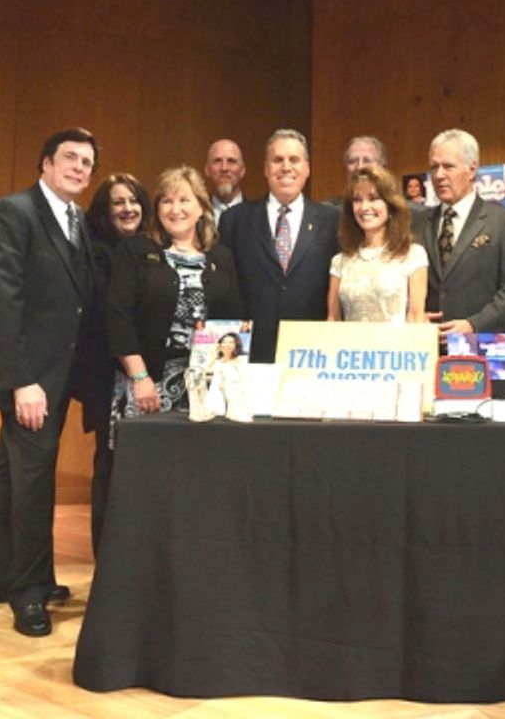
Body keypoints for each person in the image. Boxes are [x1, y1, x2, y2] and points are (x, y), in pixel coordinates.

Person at [0, 127, 100, 637]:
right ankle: (29, 593)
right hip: (29, 378)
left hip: (56, 374)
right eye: (70, 157)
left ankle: (2, 575)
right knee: (32, 480)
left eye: (87, 163)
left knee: (12, 473)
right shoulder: (15, 211)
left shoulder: (79, 221)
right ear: (45, 163)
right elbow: (2, 300)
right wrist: (23, 382)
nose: (79, 168)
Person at [107, 165, 243, 422]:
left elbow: (233, 321)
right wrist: (140, 377)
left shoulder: (221, 256)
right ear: (157, 209)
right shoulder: (134, 250)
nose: (175, 209)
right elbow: (118, 317)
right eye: (167, 201)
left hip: (206, 387)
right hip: (149, 383)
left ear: (201, 207)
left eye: (184, 200)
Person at [218, 129, 339, 362]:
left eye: (294, 160)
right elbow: (225, 291)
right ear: (266, 169)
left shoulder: (332, 220)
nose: (286, 167)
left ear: (307, 168)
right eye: (277, 160)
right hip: (250, 354)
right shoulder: (235, 220)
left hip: (312, 354)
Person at [84, 172, 151, 556]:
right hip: (109, 377)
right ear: (105, 212)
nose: (127, 209)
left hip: (150, 375)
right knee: (110, 469)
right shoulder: (95, 252)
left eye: (133, 200)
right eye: (118, 203)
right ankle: (105, 561)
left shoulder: (153, 248)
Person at [411, 128, 505, 335]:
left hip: (481, 346)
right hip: (426, 345)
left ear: (472, 169)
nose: (439, 175)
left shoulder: (504, 222)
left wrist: (474, 325)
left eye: (448, 166)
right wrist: (414, 316)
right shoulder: (417, 224)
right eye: (434, 167)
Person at [327, 164, 427, 322]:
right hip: (348, 346)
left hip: (397, 345)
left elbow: (416, 318)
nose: (364, 207)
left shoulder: (412, 255)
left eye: (373, 199)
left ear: (390, 205)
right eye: (357, 200)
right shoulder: (340, 261)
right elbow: (333, 318)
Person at [205, 139, 246, 223]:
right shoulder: (196, 216)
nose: (224, 168)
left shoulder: (260, 217)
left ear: (242, 171)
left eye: (231, 161)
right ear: (207, 170)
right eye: (217, 161)